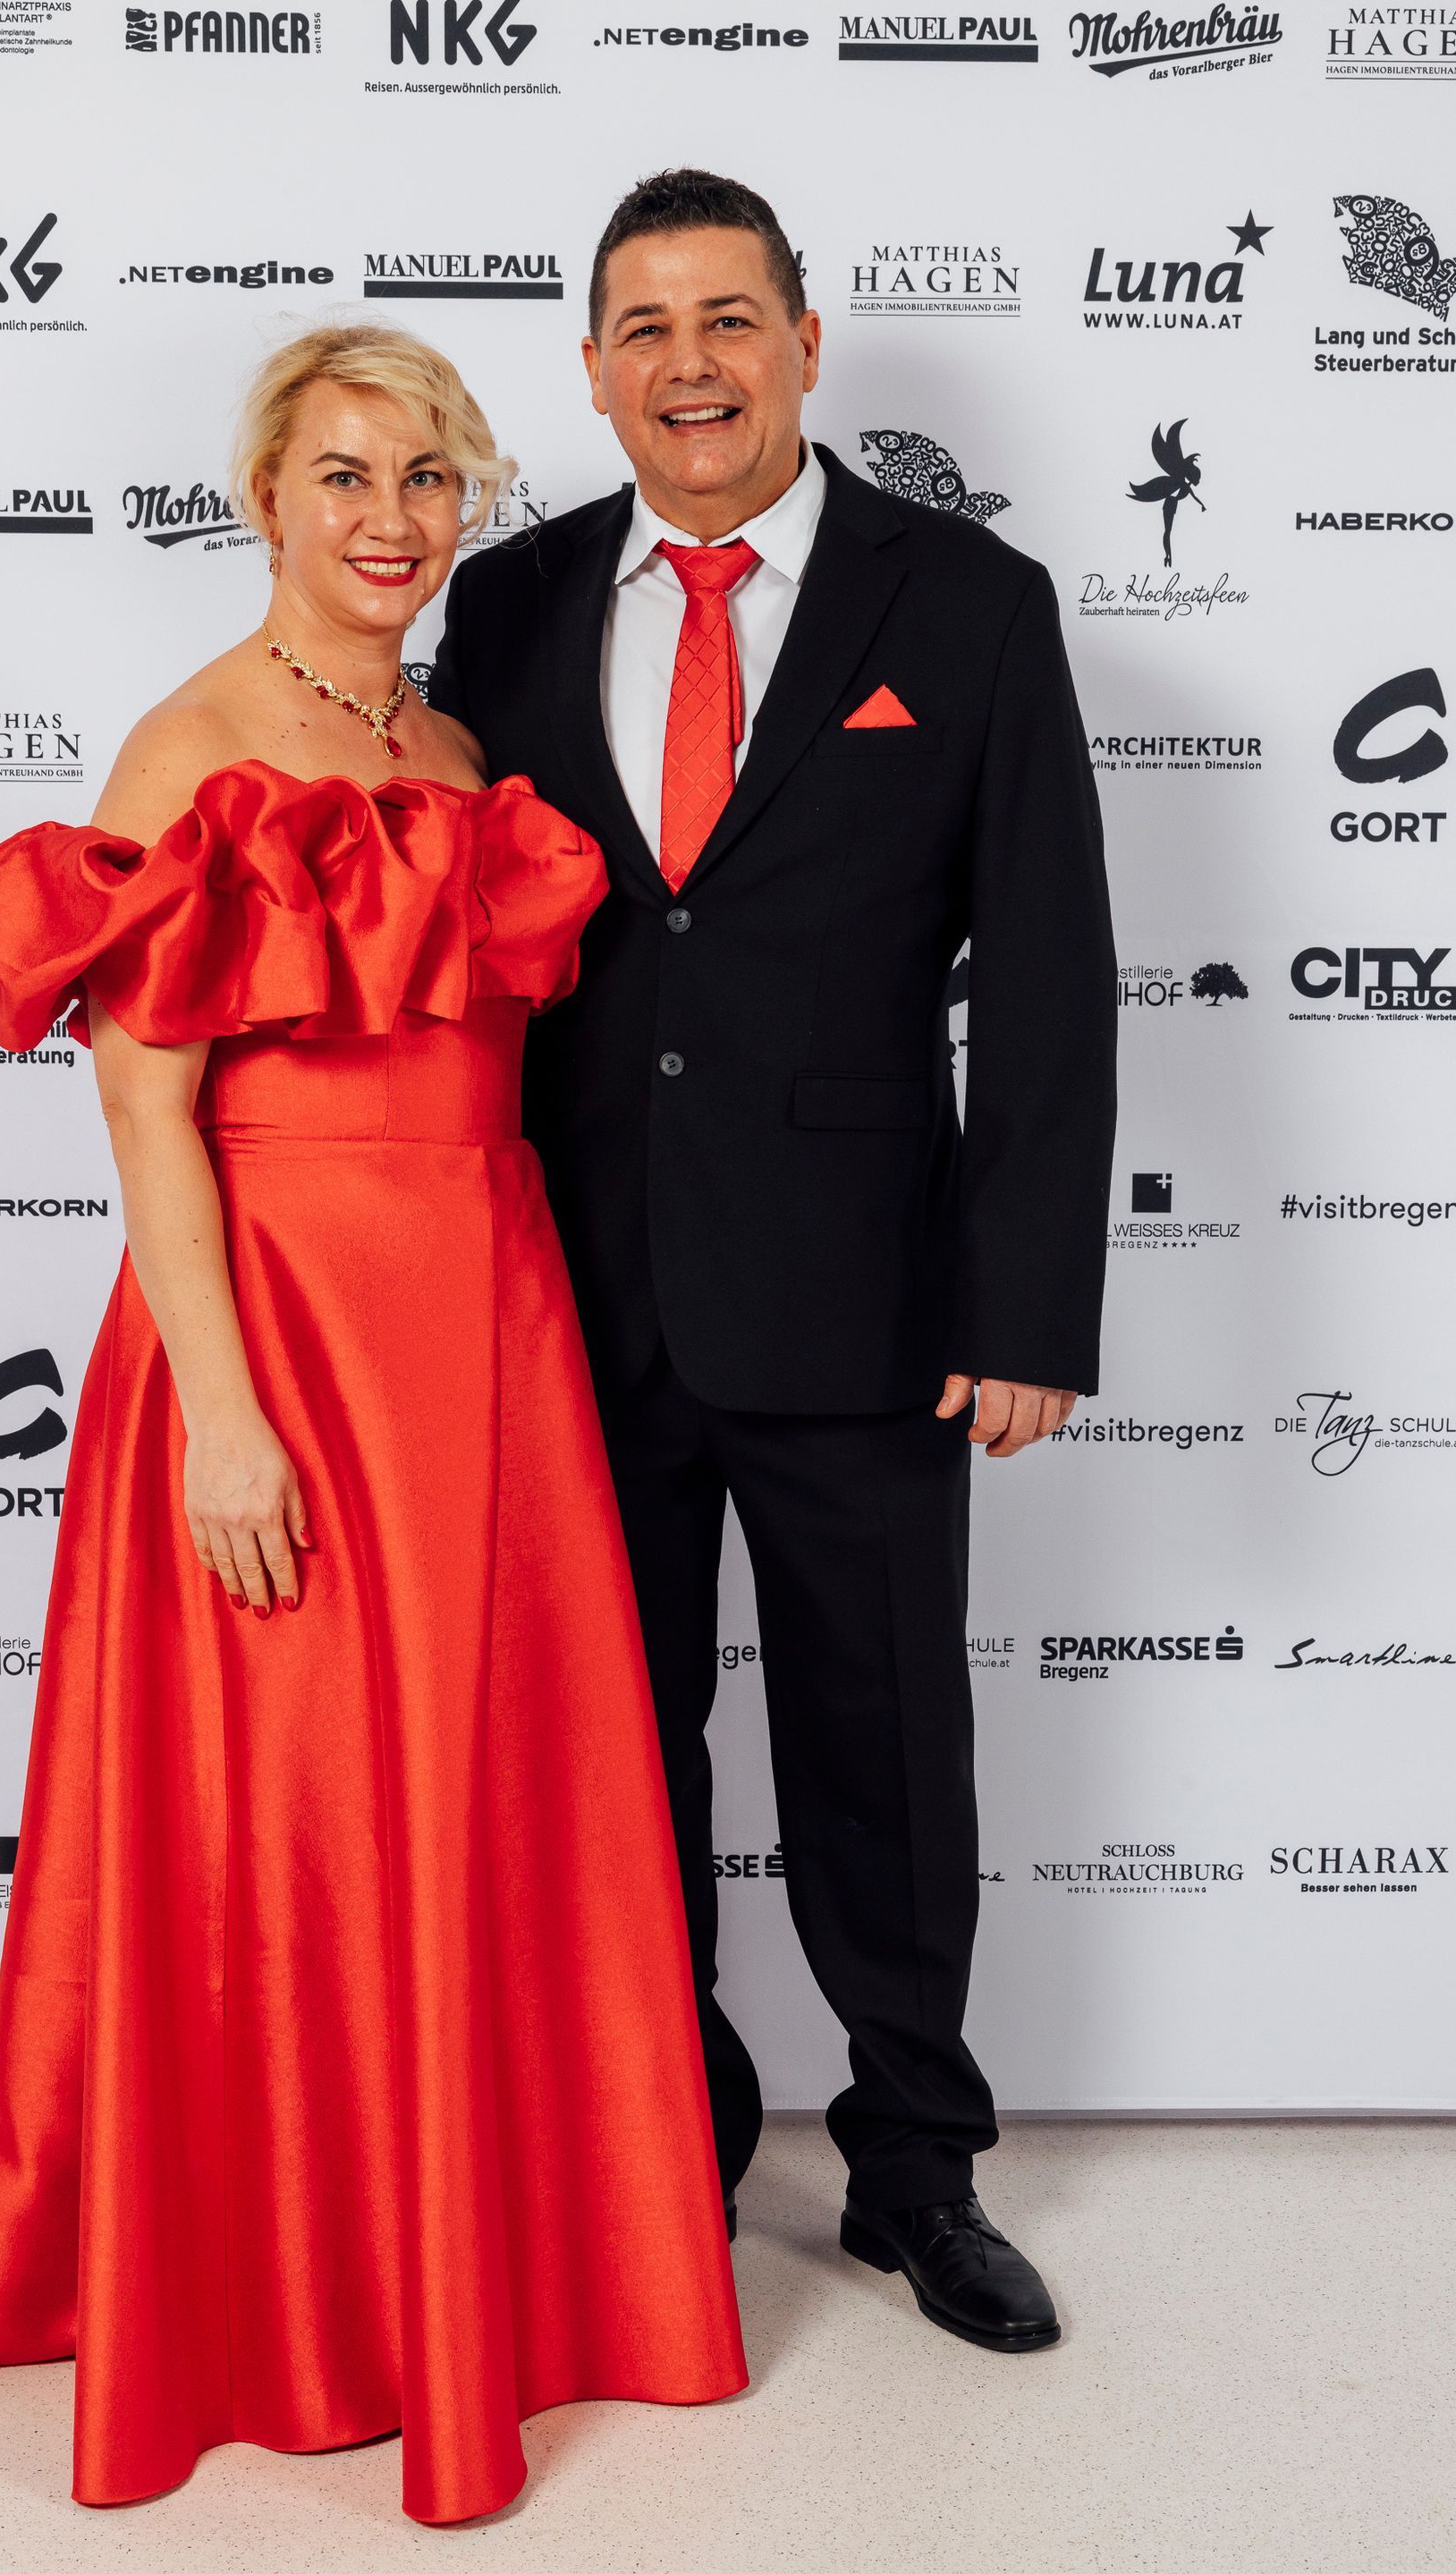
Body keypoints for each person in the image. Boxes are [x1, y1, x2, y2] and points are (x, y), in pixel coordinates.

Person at [0, 321, 746, 2525]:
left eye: (429, 478)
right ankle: (298, 2293)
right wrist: (221, 1413)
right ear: (266, 498)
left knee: (479, 1796)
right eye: (349, 476)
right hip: (277, 1337)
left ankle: (480, 2264)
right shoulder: (188, 744)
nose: (392, 519)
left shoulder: (463, 748)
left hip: (486, 1324)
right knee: (292, 1818)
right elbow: (148, 1116)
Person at [431, 171, 1116, 2356]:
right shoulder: (509, 602)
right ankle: (675, 2128)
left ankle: (918, 2162)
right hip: (573, 1292)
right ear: (592, 372)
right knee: (616, 1753)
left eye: (730, 318)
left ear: (808, 344)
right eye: (644, 328)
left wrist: (1026, 1300)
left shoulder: (969, 601)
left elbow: (1053, 971)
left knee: (881, 1750)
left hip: (865, 1293)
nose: (691, 364)